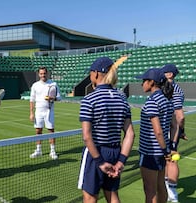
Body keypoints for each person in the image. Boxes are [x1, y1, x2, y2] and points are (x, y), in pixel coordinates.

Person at [77, 57, 135, 203]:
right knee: (112, 194)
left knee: (90, 197)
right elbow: (130, 134)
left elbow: (87, 136)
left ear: (96, 74)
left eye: (90, 73)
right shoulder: (122, 99)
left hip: (95, 153)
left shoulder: (89, 100)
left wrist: (100, 162)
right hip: (115, 153)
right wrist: (121, 161)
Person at [136, 68, 174, 203]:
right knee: (160, 186)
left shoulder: (152, 101)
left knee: (150, 190)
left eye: (144, 81)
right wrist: (167, 149)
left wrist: (164, 150)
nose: (142, 84)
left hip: (150, 152)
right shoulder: (166, 100)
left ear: (151, 82)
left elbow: (157, 130)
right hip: (161, 152)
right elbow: (173, 125)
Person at [161, 64, 186, 203]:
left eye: (164, 73)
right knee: (168, 159)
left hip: (170, 130)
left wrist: (177, 132)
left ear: (170, 74)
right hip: (171, 130)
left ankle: (172, 193)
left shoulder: (174, 90)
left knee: (171, 159)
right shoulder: (168, 88)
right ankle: (168, 187)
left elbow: (180, 116)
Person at [29, 67, 62, 160]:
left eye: (44, 73)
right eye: (41, 73)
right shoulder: (35, 85)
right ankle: (38, 150)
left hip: (49, 111)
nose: (43, 75)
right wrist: (31, 113)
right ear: (39, 74)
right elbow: (32, 100)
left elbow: (59, 98)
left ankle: (52, 151)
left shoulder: (53, 84)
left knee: (51, 131)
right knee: (38, 131)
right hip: (38, 111)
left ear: (47, 74)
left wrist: (52, 98)